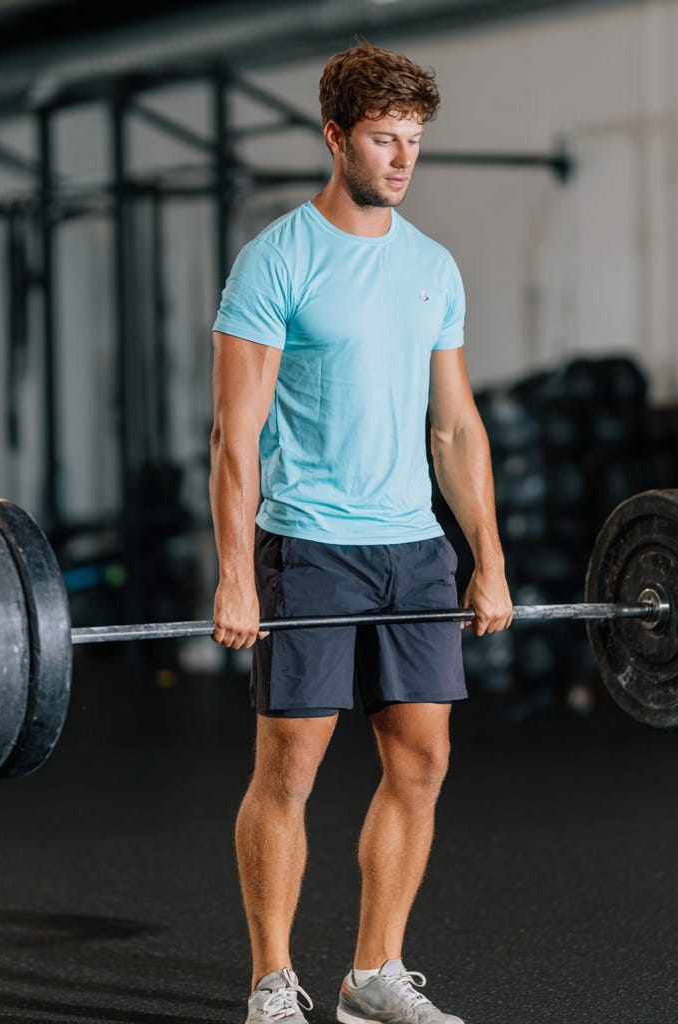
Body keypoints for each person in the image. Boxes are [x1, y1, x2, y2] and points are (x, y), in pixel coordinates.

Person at [209, 41, 513, 1024]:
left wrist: (487, 557)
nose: (402, 157)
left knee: (422, 762)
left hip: (413, 548)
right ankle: (271, 980)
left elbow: (455, 426)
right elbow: (234, 433)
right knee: (289, 770)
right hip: (310, 545)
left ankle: (373, 975)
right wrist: (236, 573)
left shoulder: (432, 266)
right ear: (335, 137)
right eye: (384, 138)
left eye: (413, 139)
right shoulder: (277, 260)